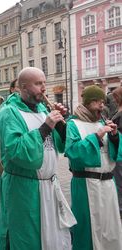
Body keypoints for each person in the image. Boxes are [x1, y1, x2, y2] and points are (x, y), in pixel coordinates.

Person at [0, 67, 76, 250]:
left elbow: (58, 144)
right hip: (25, 188)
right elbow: (15, 151)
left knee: (52, 237)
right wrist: (46, 127)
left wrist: (62, 124)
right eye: (38, 84)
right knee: (28, 239)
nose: (44, 88)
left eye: (44, 83)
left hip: (49, 185)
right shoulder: (9, 112)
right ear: (23, 87)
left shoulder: (42, 109)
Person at [65, 85, 122, 250]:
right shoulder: (73, 124)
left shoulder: (102, 122)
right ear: (88, 103)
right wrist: (97, 136)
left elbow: (113, 154)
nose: (101, 106)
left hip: (108, 185)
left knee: (110, 229)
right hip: (86, 184)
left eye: (103, 102)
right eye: (97, 102)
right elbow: (73, 151)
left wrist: (114, 136)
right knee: (89, 229)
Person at [112, 86, 122, 218]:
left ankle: (119, 209)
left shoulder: (120, 114)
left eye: (114, 97)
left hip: (119, 153)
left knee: (119, 182)